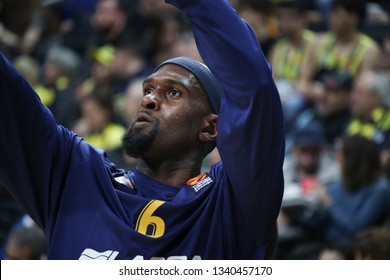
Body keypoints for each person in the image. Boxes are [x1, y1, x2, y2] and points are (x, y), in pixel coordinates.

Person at [0, 0, 284, 260]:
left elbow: (254, 88)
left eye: (173, 93)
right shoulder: (78, 175)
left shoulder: (230, 203)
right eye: (148, 90)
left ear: (210, 127)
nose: (148, 99)